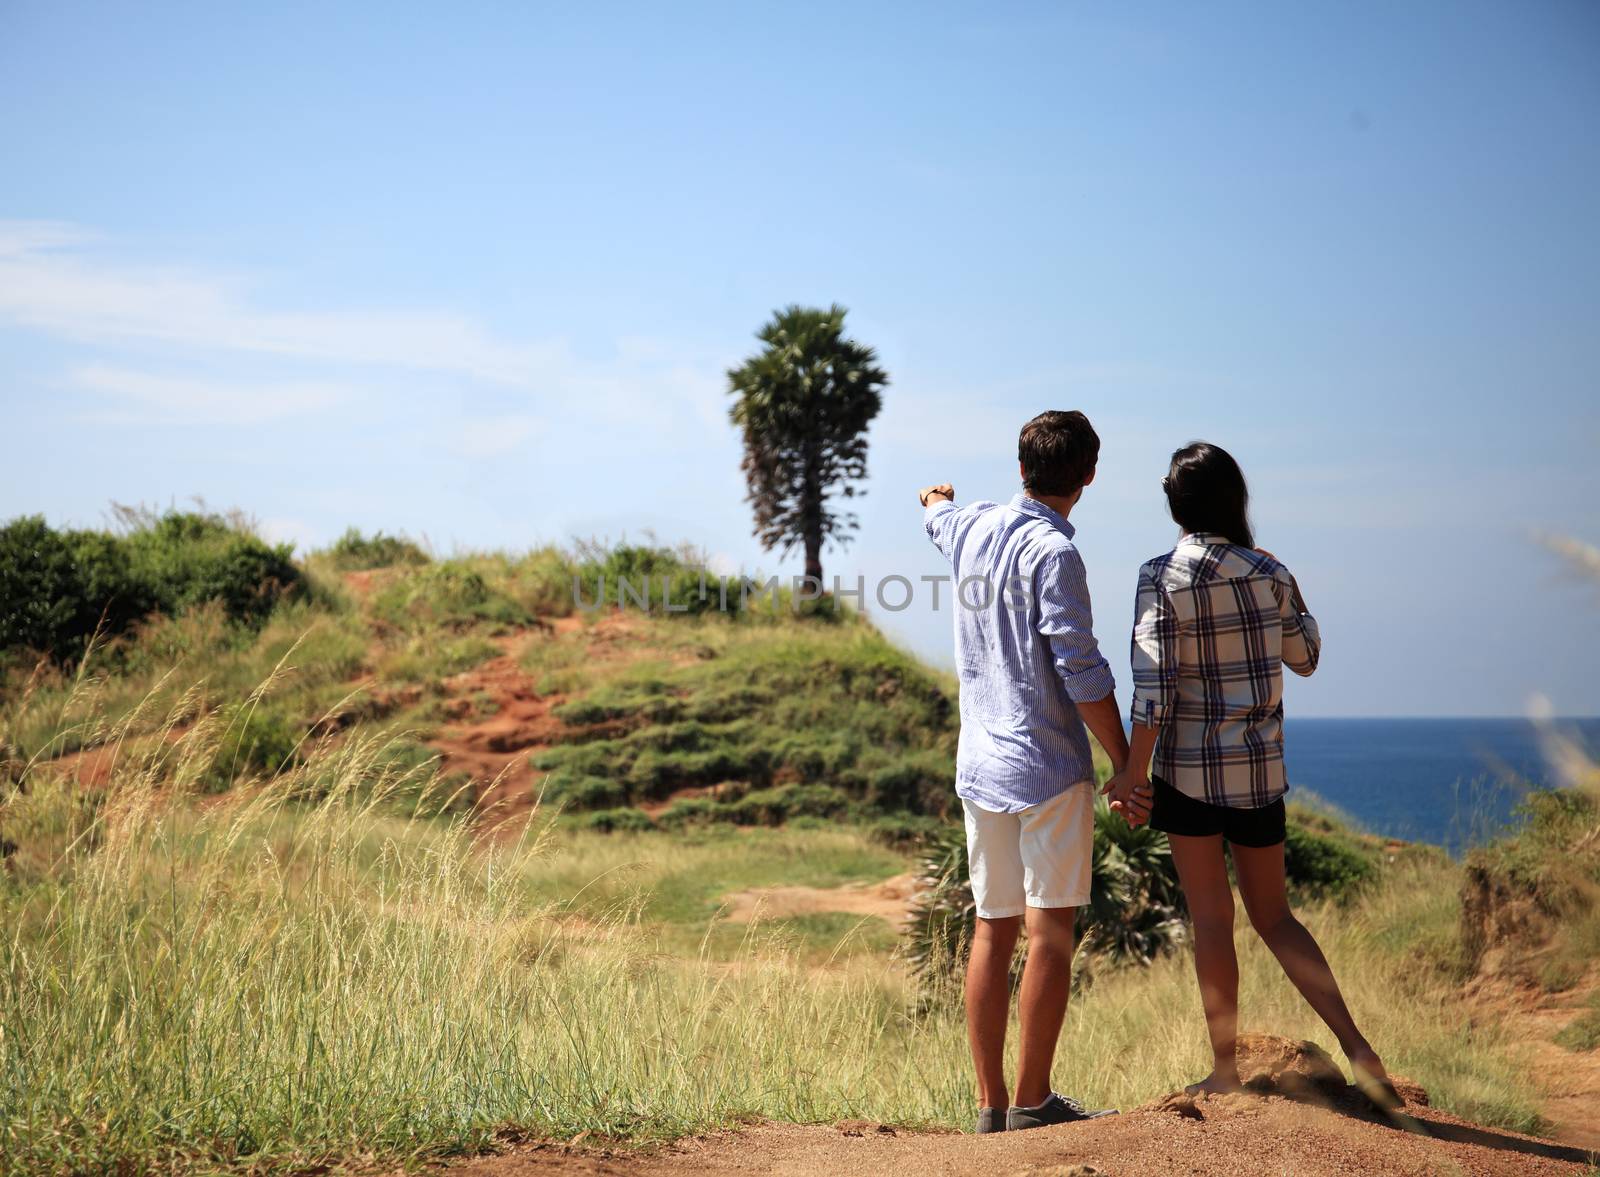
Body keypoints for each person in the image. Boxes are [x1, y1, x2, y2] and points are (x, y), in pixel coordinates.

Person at [1103, 441, 1400, 1108]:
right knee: (1277, 917)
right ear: (1235, 499)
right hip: (1259, 773)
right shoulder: (1270, 571)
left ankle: (1224, 1070)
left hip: (1186, 773)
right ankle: (1359, 1049)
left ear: (1174, 505)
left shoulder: (1159, 575)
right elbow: (1307, 657)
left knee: (1213, 920)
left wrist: (1131, 774)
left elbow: (1152, 687)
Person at [919, 409, 1152, 1135]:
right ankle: (1033, 1099)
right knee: (1051, 934)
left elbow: (938, 515)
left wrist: (936, 498)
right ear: (1088, 476)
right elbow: (1079, 665)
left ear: (1021, 468)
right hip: (1046, 764)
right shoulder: (1057, 552)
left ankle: (989, 1105)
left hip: (979, 765)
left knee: (993, 928)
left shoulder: (973, 526)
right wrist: (1123, 760)